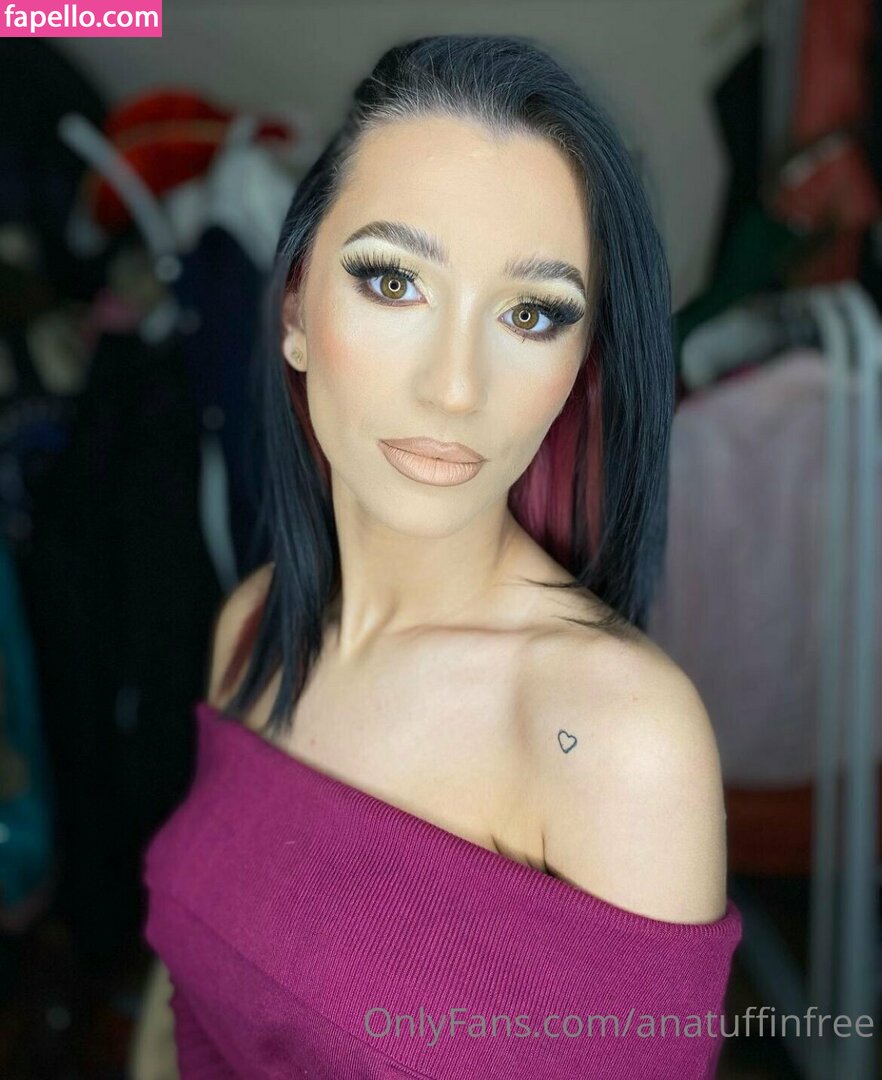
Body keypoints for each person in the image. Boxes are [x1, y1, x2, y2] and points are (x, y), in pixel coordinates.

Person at [141, 33, 742, 1078]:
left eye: (531, 313)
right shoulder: (251, 627)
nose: (455, 387)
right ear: (294, 309)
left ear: (580, 365)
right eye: (393, 281)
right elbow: (184, 1000)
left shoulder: (616, 741)